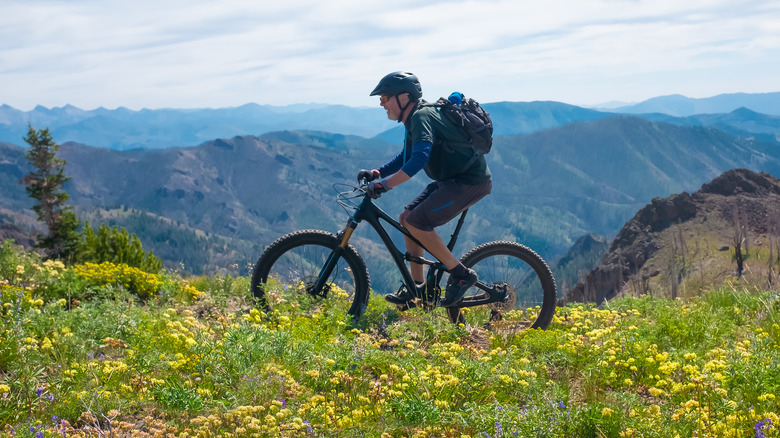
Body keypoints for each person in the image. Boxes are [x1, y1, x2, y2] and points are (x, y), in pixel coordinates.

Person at [357, 71, 492, 308]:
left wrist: (385, 185)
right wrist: (378, 173)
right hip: (451, 181)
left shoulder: (421, 117)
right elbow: (407, 155)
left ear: (404, 98)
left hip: (469, 183)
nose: (381, 103)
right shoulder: (415, 118)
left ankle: (461, 274)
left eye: (385, 97)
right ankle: (418, 290)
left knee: (418, 222)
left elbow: (419, 160)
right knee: (406, 219)